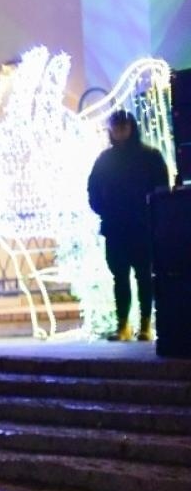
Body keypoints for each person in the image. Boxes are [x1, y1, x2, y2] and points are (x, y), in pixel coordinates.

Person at [88, 110, 170, 342]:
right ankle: (123, 325)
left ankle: (145, 325)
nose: (120, 131)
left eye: (123, 127)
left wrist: (152, 215)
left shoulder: (150, 156)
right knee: (120, 277)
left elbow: (161, 189)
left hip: (141, 226)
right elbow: (93, 189)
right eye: (116, 127)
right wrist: (103, 209)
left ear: (131, 127)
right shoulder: (106, 160)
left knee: (144, 275)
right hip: (117, 226)